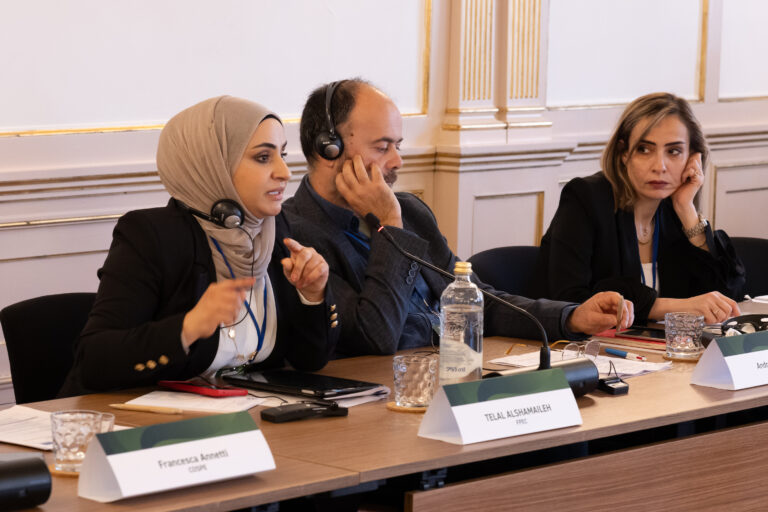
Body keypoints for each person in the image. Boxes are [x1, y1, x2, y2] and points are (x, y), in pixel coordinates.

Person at [282, 78, 633, 358]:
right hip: (385, 401)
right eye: (381, 146)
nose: (397, 161)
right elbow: (377, 335)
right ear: (328, 149)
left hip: (456, 373)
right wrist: (389, 223)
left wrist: (571, 316)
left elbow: (479, 301)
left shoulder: (412, 213)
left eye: (398, 146)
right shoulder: (296, 235)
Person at [61, 96, 338, 396]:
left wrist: (312, 296)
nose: (285, 172)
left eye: (282, 155)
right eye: (263, 157)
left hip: (245, 422)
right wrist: (187, 327)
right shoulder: (152, 236)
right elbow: (94, 360)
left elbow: (310, 360)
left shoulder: (274, 230)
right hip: (144, 428)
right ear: (213, 162)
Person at [534, 92, 745, 324]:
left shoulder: (674, 210)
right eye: (644, 149)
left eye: (674, 151)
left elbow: (724, 297)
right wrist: (675, 307)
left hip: (663, 353)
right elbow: (570, 299)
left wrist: (686, 209)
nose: (660, 166)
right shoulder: (586, 199)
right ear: (624, 153)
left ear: (692, 157)